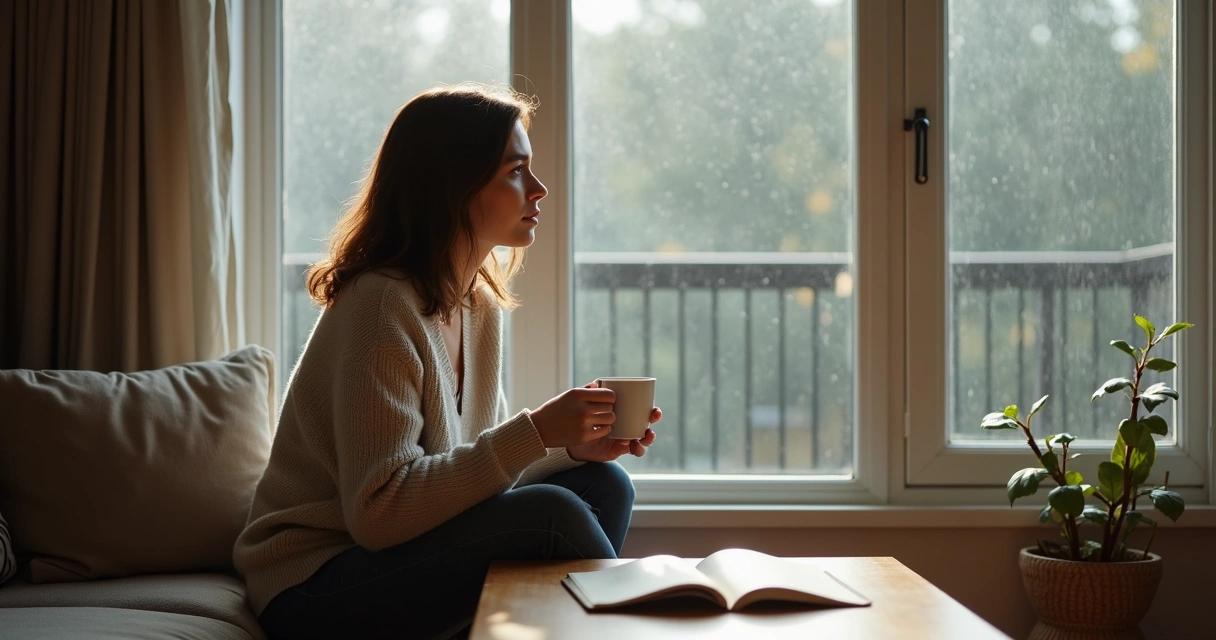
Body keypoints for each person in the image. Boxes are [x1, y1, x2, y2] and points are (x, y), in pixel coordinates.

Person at [233, 84, 661, 640]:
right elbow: (379, 514)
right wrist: (533, 432)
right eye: (515, 171)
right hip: (313, 583)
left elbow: (466, 472)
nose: (539, 188)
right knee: (553, 515)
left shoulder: (477, 303)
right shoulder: (379, 304)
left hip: (391, 555)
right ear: (453, 186)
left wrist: (568, 448)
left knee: (605, 485)